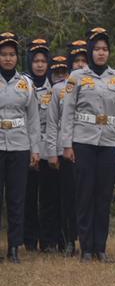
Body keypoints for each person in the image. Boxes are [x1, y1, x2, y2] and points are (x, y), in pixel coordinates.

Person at [59, 27, 115, 263]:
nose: (101, 53)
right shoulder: (76, 77)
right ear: (90, 51)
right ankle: (86, 248)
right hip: (83, 141)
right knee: (85, 194)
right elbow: (68, 112)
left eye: (105, 49)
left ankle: (101, 247)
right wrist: (66, 144)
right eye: (97, 49)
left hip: (109, 142)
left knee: (104, 195)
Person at [0, 32, 40, 263]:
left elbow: (33, 119)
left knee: (16, 199)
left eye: (12, 54)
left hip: (19, 145)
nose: (8, 58)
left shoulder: (26, 84)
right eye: (4, 54)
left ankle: (14, 247)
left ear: (17, 57)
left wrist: (35, 150)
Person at [22, 38, 59, 252]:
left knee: (48, 197)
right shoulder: (22, 85)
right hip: (25, 147)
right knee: (27, 197)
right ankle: (29, 239)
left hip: (47, 150)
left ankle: (47, 240)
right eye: (35, 61)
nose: (39, 65)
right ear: (29, 61)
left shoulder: (53, 87)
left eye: (43, 61)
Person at [57, 44, 87, 257]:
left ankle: (87, 240)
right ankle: (68, 239)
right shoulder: (64, 87)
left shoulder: (96, 84)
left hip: (89, 145)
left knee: (86, 196)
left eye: (83, 60)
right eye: (76, 61)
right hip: (69, 148)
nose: (80, 65)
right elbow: (61, 120)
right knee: (67, 196)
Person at [45, 55, 69, 253]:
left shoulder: (74, 89)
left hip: (72, 150)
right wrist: (51, 152)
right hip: (54, 151)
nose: (60, 76)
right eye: (56, 73)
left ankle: (68, 239)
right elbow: (51, 125)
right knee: (52, 199)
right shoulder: (52, 91)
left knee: (69, 198)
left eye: (63, 72)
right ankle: (53, 240)